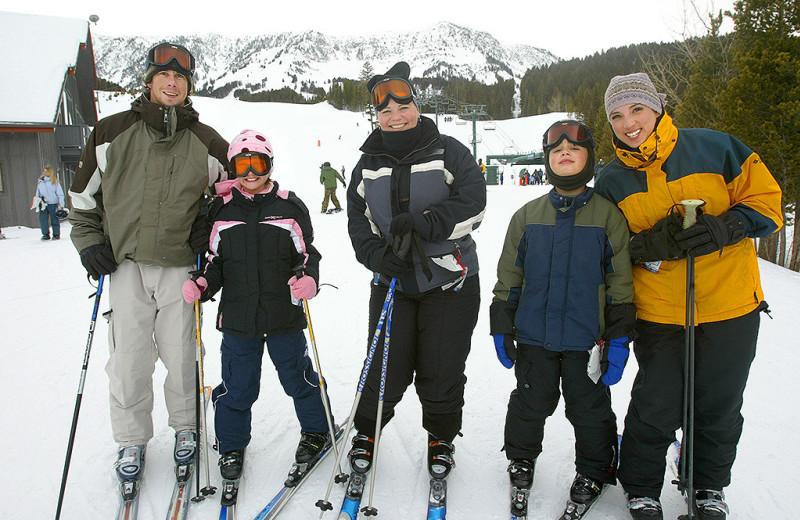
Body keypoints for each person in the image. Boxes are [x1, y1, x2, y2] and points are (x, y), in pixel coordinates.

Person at [594, 72, 783, 520]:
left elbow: (768, 201)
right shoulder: (611, 180)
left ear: (656, 108)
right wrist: (643, 248)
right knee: (655, 404)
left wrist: (730, 226)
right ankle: (641, 487)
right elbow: (605, 249)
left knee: (718, 404)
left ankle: (707, 486)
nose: (628, 123)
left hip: (730, 304)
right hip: (660, 312)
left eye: (636, 109)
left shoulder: (714, 147)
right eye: (617, 115)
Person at [67, 42, 228, 489]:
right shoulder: (110, 132)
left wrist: (208, 225)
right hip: (125, 266)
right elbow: (81, 201)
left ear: (188, 85)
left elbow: (234, 200)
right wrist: (88, 245)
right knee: (129, 360)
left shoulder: (209, 141)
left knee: (181, 357)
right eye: (164, 76)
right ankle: (132, 438)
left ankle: (186, 428)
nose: (172, 83)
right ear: (150, 81)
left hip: (180, 267)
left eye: (180, 77)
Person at [346, 61, 485, 483]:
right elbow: (358, 220)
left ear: (416, 106)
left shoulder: (449, 150)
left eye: (402, 106)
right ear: (377, 116)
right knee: (384, 364)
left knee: (441, 367)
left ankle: (441, 436)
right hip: (393, 280)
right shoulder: (367, 163)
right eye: (385, 111)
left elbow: (474, 203)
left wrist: (428, 222)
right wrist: (377, 256)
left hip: (450, 280)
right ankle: (367, 431)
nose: (395, 116)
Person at [490, 120, 635, 516]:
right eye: (556, 151)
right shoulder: (527, 216)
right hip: (535, 335)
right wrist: (502, 322)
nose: (564, 153)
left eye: (573, 149)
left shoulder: (608, 217)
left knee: (589, 409)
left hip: (587, 339)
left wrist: (619, 337)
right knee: (529, 403)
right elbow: (509, 278)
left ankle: (594, 468)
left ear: (589, 159)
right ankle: (521, 457)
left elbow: (620, 282)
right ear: (547, 161)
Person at [182, 129, 333, 487]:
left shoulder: (289, 207)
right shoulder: (221, 211)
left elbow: (307, 254)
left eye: (258, 163)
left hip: (283, 315)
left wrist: (309, 278)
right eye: (243, 164)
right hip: (238, 318)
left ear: (270, 164)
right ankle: (232, 445)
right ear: (233, 167)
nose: (251, 173)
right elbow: (215, 262)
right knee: (239, 387)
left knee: (299, 378)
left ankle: (316, 431)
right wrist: (203, 284)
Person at [36, 166, 65, 240]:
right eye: (44, 171)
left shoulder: (55, 182)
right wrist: (37, 201)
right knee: (43, 219)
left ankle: (56, 234)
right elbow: (38, 193)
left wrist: (61, 204)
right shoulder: (40, 182)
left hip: (53, 203)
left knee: (54, 219)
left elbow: (60, 193)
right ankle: (45, 234)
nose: (45, 173)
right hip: (43, 203)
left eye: (46, 171)